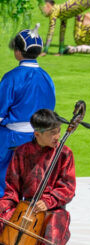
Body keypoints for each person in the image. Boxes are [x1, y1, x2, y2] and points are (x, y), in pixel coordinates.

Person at [0, 109, 74, 245]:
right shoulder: (22, 153)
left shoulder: (64, 154)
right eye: (52, 133)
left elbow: (68, 187)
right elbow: (11, 189)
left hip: (53, 209)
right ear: (37, 134)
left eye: (58, 131)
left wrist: (48, 201)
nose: (57, 136)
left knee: (52, 228)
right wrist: (4, 207)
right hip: (25, 207)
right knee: (5, 221)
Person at [0, 26, 55, 185]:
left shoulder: (11, 77)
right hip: (41, 135)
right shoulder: (47, 77)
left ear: (18, 52)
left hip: (13, 137)